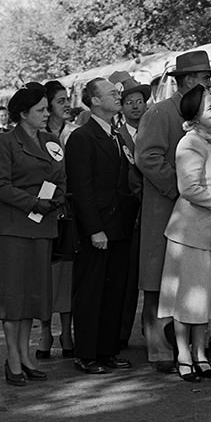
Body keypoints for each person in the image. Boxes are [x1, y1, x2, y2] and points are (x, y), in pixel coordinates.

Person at [136, 51, 211, 372]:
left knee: (187, 276)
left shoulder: (203, 116)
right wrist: (180, 187)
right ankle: (156, 341)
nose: (210, 84)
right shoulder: (160, 113)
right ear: (189, 81)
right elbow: (147, 157)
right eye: (206, 78)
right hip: (165, 208)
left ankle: (184, 342)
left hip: (193, 211)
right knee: (158, 280)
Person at [0, 83, 67, 386]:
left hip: (42, 227)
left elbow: (61, 177)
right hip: (13, 229)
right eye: (41, 110)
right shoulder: (5, 142)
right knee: (13, 297)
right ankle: (13, 359)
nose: (47, 114)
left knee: (32, 295)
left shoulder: (51, 140)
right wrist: (34, 202)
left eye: (47, 109)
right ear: (23, 113)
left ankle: (26, 355)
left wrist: (58, 199)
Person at [159, 84, 211, 381]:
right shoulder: (189, 143)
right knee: (187, 299)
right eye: (210, 106)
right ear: (195, 117)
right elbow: (189, 188)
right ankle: (184, 355)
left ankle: (201, 353)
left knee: (205, 298)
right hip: (191, 232)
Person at [66, 77, 141, 374]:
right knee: (91, 291)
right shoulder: (82, 137)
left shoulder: (116, 135)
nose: (118, 96)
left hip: (119, 226)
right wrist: (94, 228)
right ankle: (86, 353)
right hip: (97, 229)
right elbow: (81, 189)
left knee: (114, 292)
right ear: (95, 100)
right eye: (111, 93)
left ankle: (107, 350)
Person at [38, 79, 75, 360]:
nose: (67, 105)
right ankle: (44, 330)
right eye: (61, 100)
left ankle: (67, 330)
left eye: (67, 99)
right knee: (45, 275)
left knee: (67, 271)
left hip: (70, 211)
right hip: (42, 210)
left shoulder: (75, 133)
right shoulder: (35, 134)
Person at [111, 73, 149, 350]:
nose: (136, 107)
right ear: (121, 107)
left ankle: (155, 332)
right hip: (127, 214)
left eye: (140, 101)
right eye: (129, 102)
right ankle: (120, 332)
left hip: (153, 212)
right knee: (124, 280)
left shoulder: (154, 130)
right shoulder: (116, 136)